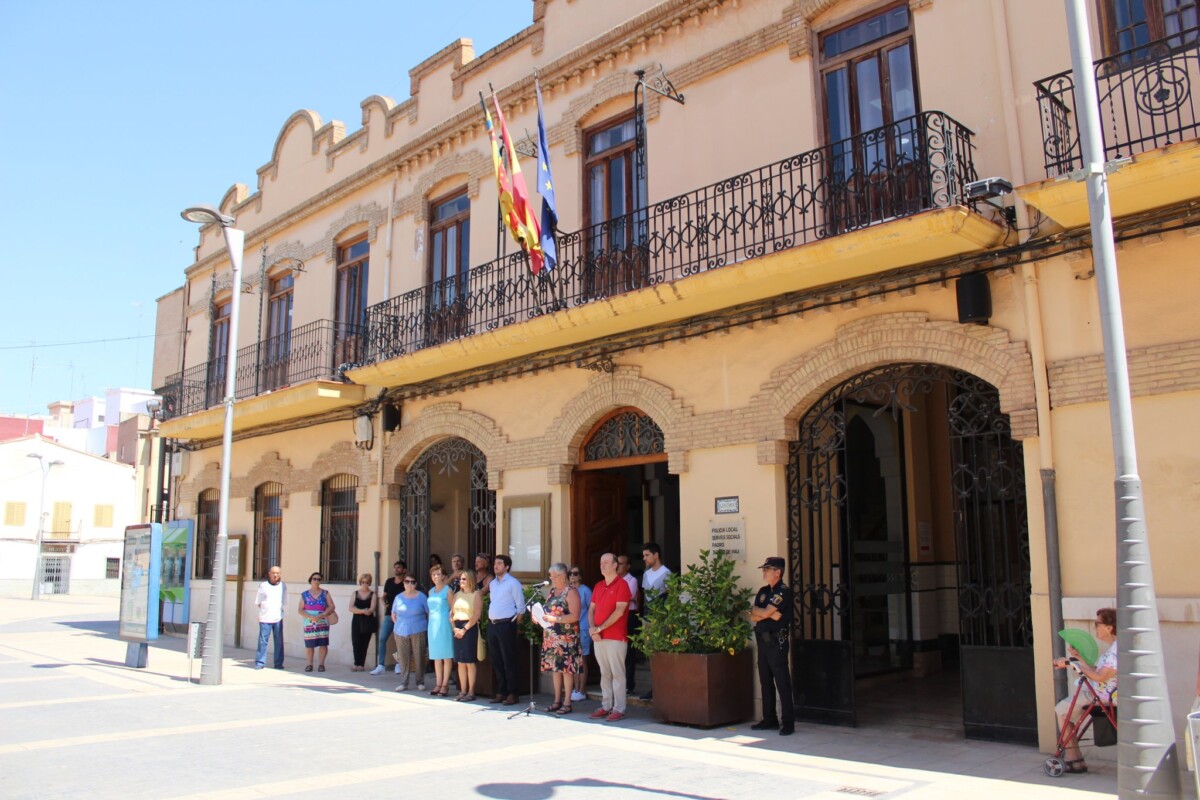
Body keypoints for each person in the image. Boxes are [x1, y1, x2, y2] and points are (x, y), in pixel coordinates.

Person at [1053, 607, 1118, 773]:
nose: (1095, 627)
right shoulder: (1116, 648)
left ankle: (1072, 757)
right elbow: (1097, 672)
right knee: (1067, 710)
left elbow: (1100, 676)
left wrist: (1072, 664)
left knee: (1061, 710)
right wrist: (1079, 659)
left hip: (1101, 696)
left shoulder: (1115, 652)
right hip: (1103, 694)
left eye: (1097, 624)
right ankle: (1074, 757)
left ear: (1109, 628)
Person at [749, 556, 795, 736]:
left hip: (777, 642)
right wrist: (767, 614)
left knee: (782, 682)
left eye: (767, 570)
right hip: (763, 640)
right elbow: (752, 614)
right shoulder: (762, 591)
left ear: (778, 572)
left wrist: (766, 613)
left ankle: (788, 722)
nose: (764, 572)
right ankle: (769, 719)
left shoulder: (783, 591)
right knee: (765, 680)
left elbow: (766, 611)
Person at [588, 552, 632, 722]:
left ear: (615, 565)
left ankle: (619, 708)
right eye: (601, 562)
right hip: (599, 637)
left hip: (615, 637)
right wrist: (593, 629)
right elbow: (591, 609)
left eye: (606, 562)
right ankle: (606, 706)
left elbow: (619, 611)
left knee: (617, 673)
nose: (602, 565)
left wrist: (599, 628)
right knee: (604, 673)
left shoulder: (622, 585)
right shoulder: (598, 586)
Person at [541, 562, 583, 715]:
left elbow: (574, 615)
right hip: (552, 637)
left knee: (567, 670)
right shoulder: (552, 591)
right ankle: (557, 700)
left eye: (555, 576)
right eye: (551, 576)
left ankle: (567, 702)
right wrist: (540, 617)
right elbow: (547, 610)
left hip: (566, 638)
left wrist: (554, 619)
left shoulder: (571, 592)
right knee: (555, 670)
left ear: (564, 575)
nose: (552, 578)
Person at [487, 554, 525, 705]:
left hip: (506, 624)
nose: (496, 566)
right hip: (493, 624)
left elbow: (521, 608)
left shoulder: (513, 583)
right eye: (495, 563)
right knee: (496, 660)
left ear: (507, 567)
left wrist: (515, 626)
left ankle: (513, 693)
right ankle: (501, 691)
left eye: (499, 563)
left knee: (509, 660)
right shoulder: (493, 584)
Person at [637, 542, 671, 700]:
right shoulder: (646, 574)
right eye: (643, 555)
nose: (644, 558)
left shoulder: (666, 573)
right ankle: (654, 687)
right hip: (648, 616)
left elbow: (671, 596)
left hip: (661, 617)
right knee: (650, 653)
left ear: (656, 555)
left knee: (662, 651)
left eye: (647, 555)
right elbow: (645, 595)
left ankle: (663, 687)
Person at [391, 575, 428, 691]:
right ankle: (404, 682)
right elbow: (393, 614)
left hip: (418, 629)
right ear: (404, 583)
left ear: (416, 584)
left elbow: (428, 613)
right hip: (401, 631)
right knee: (403, 657)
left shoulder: (422, 597)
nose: (409, 584)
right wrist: (400, 625)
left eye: (412, 582)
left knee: (419, 656)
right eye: (407, 581)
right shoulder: (398, 597)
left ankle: (420, 681)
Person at [371, 560, 407, 675]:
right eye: (395, 567)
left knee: (399, 640)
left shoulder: (406, 583)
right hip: (388, 614)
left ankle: (398, 664)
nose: (396, 569)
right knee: (382, 639)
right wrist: (383, 601)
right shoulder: (389, 581)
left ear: (404, 570)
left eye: (399, 567)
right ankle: (381, 665)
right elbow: (384, 596)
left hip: (402, 616)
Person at [451, 569, 482, 701]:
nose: (461, 581)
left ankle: (471, 692)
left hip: (469, 628)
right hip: (457, 627)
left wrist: (464, 629)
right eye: (460, 579)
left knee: (469, 661)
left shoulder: (476, 594)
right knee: (460, 662)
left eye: (464, 579)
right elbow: (451, 613)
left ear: (470, 580)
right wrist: (454, 629)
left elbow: (476, 615)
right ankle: (462, 691)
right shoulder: (457, 594)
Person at [426, 565, 454, 696]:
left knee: (446, 656)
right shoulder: (431, 592)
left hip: (444, 624)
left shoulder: (448, 591)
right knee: (436, 656)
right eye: (433, 575)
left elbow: (452, 608)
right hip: (432, 625)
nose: (436, 577)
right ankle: (438, 683)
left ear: (443, 576)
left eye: (438, 574)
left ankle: (445, 684)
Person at [299, 572, 335, 672]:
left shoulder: (325, 593)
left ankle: (321, 664)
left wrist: (323, 614)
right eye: (314, 579)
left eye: (319, 579)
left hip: (322, 621)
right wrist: (310, 617)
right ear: (310, 580)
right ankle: (309, 664)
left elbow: (332, 606)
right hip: (309, 622)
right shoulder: (304, 594)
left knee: (323, 643)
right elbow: (300, 609)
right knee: (309, 644)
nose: (316, 581)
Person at [254, 565, 287, 670]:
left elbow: (284, 601)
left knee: (279, 641)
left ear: (280, 574)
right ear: (269, 574)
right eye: (273, 573)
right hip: (265, 618)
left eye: (277, 573)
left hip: (277, 618)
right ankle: (260, 662)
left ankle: (278, 663)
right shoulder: (263, 585)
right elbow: (258, 602)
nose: (275, 575)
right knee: (263, 641)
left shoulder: (283, 586)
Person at [617, 553, 641, 693]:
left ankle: (629, 684)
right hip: (617, 616)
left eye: (621, 563)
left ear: (628, 566)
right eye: (617, 563)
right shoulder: (614, 580)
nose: (618, 566)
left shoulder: (631, 580)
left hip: (629, 615)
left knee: (629, 651)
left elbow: (627, 597)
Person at [568, 565, 592, 702]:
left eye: (575, 573)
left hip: (583, 628)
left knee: (582, 660)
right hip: (570, 629)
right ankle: (575, 688)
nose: (572, 575)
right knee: (574, 660)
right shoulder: (568, 590)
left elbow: (591, 608)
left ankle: (582, 689)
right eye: (570, 573)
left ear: (580, 576)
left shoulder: (585, 591)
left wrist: (590, 626)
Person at [349, 573, 377, 671]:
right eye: (363, 582)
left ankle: (361, 664)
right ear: (360, 582)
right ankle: (356, 663)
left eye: (366, 582)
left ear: (369, 583)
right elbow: (350, 608)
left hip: (367, 621)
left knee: (364, 642)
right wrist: (362, 611)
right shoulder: (355, 593)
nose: (364, 584)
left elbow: (372, 609)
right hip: (356, 620)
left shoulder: (372, 595)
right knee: (356, 641)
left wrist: (365, 611)